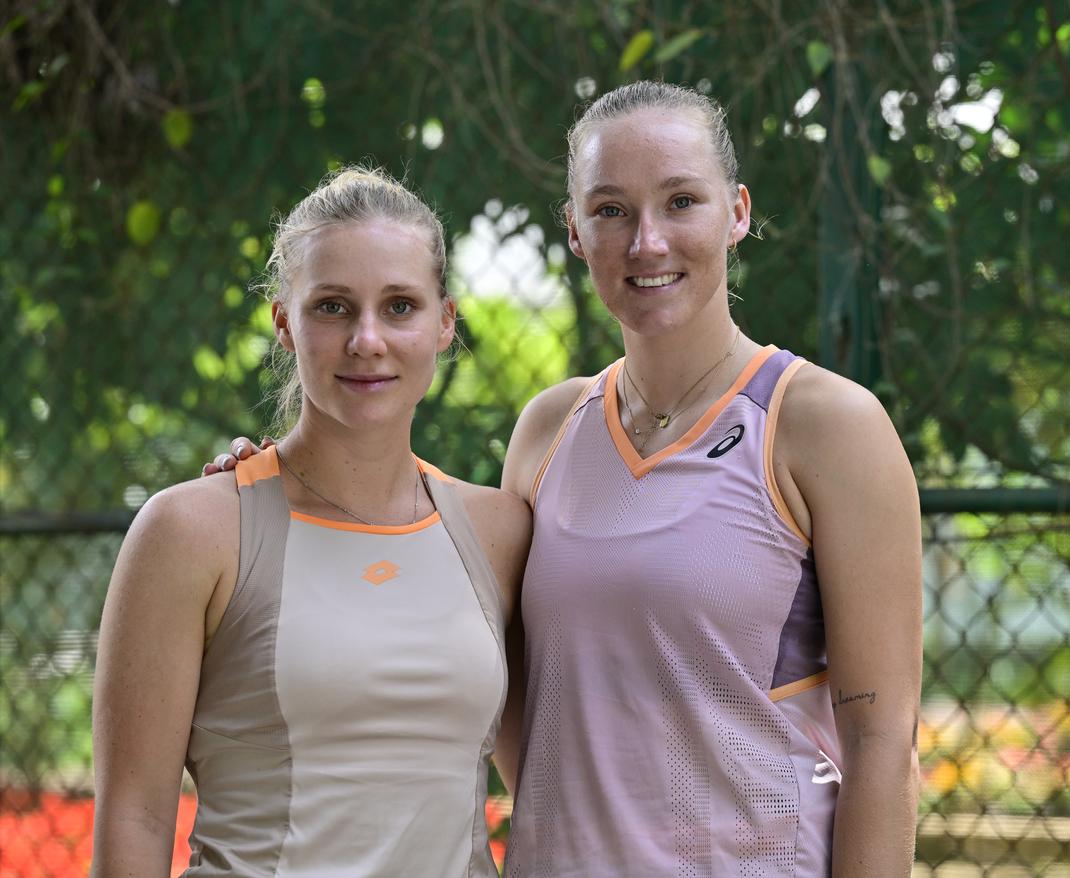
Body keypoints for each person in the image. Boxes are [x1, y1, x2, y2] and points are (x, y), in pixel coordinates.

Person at [212, 81, 923, 876]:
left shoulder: (826, 427)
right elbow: (456, 614)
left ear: (738, 212)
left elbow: (882, 740)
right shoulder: (549, 430)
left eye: (682, 200)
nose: (647, 241)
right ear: (578, 233)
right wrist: (278, 483)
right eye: (612, 210)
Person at [92, 167, 531, 877]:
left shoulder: (501, 532)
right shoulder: (191, 532)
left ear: (445, 322)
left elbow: (544, 780)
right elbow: (134, 820)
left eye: (399, 306)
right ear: (284, 323)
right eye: (331, 307)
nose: (366, 340)